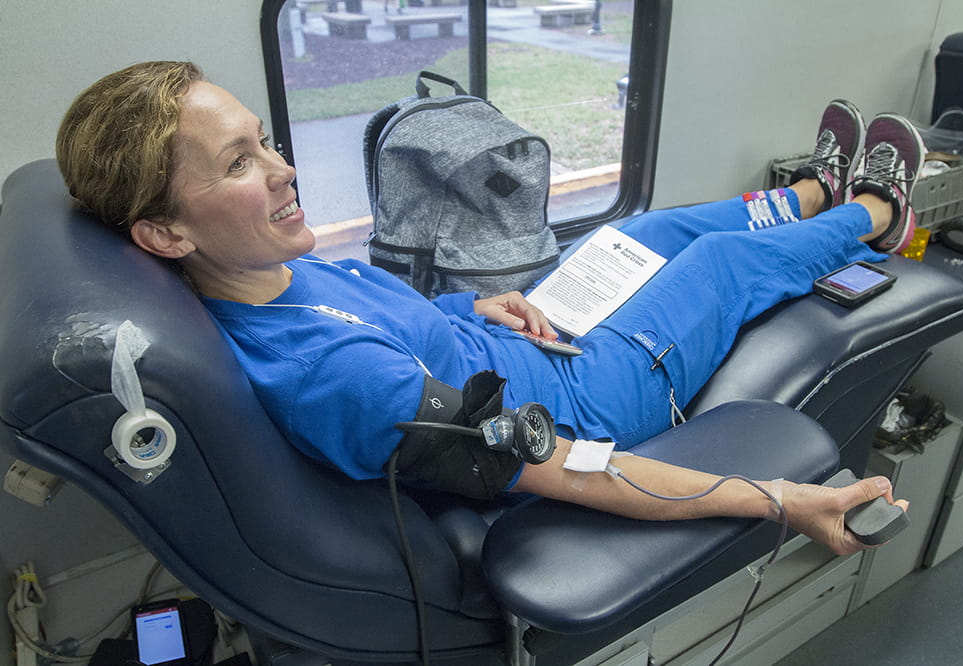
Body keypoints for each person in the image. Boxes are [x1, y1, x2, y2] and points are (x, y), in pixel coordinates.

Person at [56, 61, 915, 556]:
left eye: (266, 142)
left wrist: (478, 305)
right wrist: (781, 500)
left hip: (529, 330)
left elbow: (398, 323)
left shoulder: (269, 270)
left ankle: (807, 194)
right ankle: (875, 213)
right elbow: (571, 466)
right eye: (240, 164)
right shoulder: (336, 380)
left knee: (646, 227)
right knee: (722, 265)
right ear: (165, 235)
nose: (283, 170)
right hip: (595, 391)